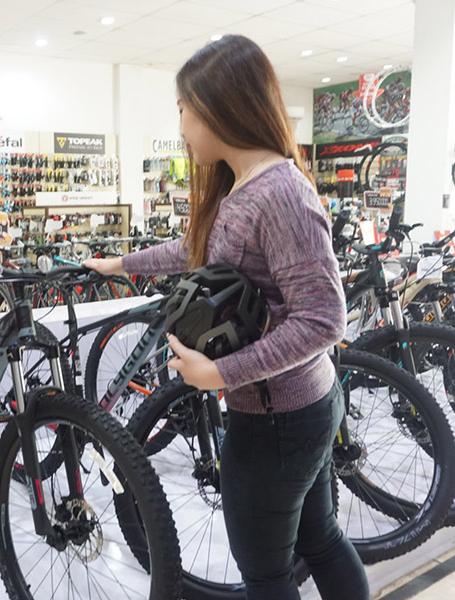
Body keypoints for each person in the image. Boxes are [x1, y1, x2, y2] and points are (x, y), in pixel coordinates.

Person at [85, 35, 369, 600]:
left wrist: (220, 375)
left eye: (185, 111)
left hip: (279, 419)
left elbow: (324, 319)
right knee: (319, 539)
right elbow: (196, 249)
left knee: (267, 573)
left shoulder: (281, 193)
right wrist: (117, 262)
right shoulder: (242, 186)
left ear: (219, 107)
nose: (183, 126)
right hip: (290, 410)